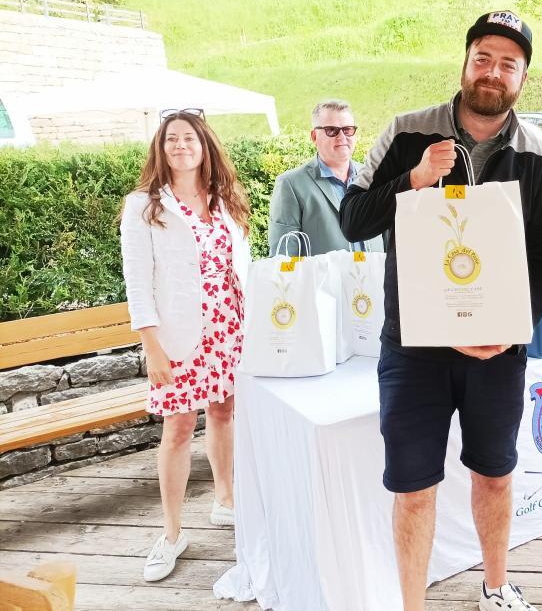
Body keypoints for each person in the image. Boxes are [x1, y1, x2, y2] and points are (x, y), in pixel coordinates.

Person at [340, 10, 542, 611]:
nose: (493, 72)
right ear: (465, 63)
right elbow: (353, 220)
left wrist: (510, 328)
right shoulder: (406, 133)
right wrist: (414, 179)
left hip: (497, 352)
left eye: (508, 64)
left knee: (495, 474)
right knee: (413, 487)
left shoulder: (537, 153)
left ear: (523, 78)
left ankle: (495, 586)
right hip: (412, 348)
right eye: (483, 58)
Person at [120, 108, 251, 582]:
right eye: (171, 138)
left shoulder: (223, 198)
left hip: (231, 328)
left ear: (204, 145)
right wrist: (151, 346)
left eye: (189, 138)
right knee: (177, 428)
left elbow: (240, 265)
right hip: (179, 337)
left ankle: (225, 498)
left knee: (224, 411)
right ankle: (172, 533)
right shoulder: (144, 205)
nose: (180, 146)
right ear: (161, 148)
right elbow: (137, 281)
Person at [268, 99, 383, 256]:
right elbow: (284, 257)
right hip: (323, 274)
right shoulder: (290, 185)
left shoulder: (375, 177)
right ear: (314, 136)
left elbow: (391, 241)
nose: (341, 136)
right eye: (331, 130)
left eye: (347, 130)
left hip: (376, 272)